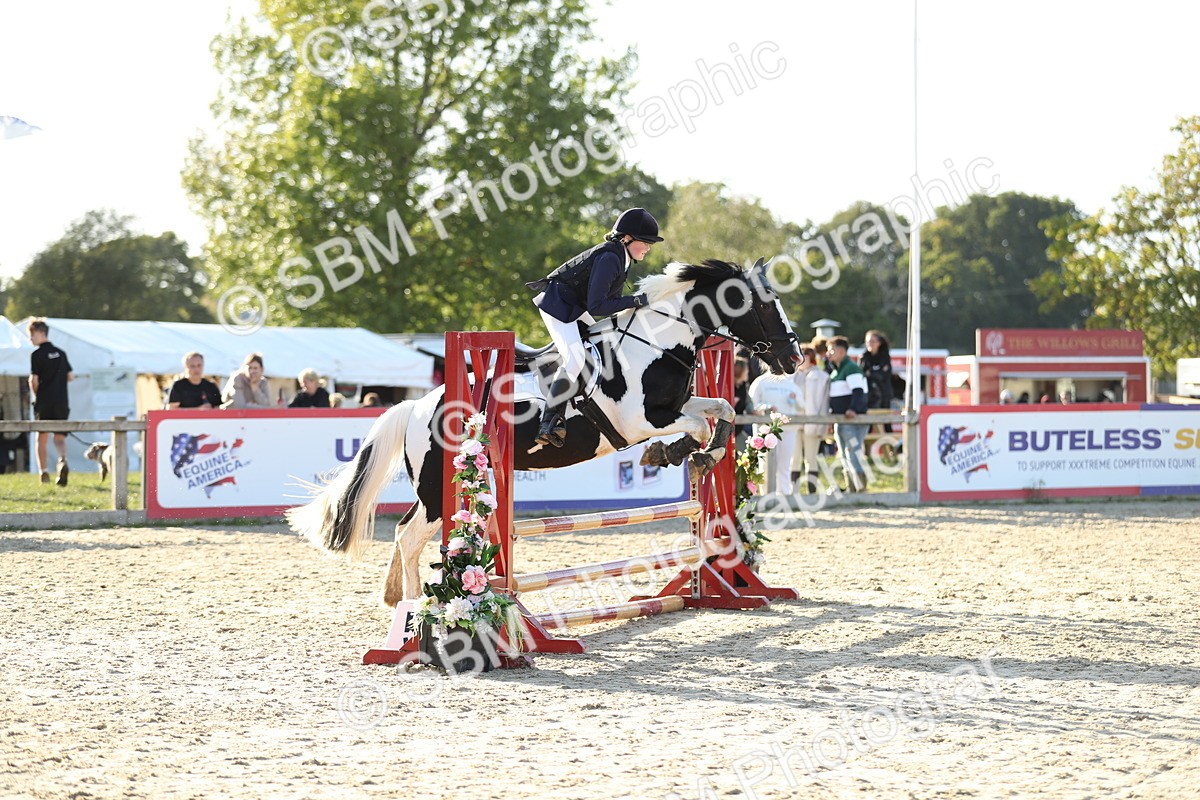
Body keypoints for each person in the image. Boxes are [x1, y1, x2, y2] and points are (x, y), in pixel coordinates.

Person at [525, 208, 661, 447]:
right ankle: (548, 422)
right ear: (627, 238)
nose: (648, 248)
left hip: (576, 306)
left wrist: (638, 304)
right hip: (558, 306)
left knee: (607, 338)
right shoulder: (610, 258)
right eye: (646, 242)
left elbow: (610, 302)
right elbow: (598, 305)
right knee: (576, 358)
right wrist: (637, 300)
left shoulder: (623, 258)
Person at [27, 318, 73, 486]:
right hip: (62, 401)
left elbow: (34, 380)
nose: (30, 339)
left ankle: (43, 472)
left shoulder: (36, 355)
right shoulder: (61, 353)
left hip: (45, 401)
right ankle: (62, 461)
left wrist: (39, 395)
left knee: (42, 437)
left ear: (40, 333)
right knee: (60, 437)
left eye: (31, 335)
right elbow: (70, 376)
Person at [748, 368, 804, 495]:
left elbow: (802, 405)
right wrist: (766, 408)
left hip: (788, 430)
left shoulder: (791, 384)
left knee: (785, 463)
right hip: (765, 429)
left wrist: (795, 399)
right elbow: (752, 405)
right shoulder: (760, 382)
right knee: (765, 463)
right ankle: (766, 494)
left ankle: (784, 493)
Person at [827, 335, 869, 493]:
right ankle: (852, 488)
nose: (828, 354)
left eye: (832, 350)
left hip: (852, 419)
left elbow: (858, 391)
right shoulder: (836, 370)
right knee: (844, 454)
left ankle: (860, 489)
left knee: (852, 453)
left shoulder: (851, 368)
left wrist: (853, 408)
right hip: (841, 420)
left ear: (842, 351)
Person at [791, 345, 831, 495]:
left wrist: (822, 424)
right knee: (794, 458)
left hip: (812, 422)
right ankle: (793, 491)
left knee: (811, 457)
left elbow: (824, 403)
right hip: (794, 422)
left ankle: (811, 492)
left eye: (804, 355)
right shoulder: (791, 376)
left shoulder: (821, 377)